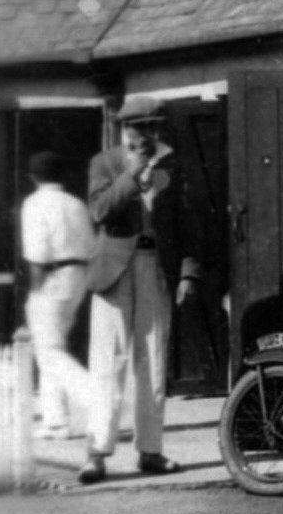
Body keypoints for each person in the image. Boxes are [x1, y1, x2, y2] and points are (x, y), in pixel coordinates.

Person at [80, 96, 201, 484]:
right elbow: (100, 212)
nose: (146, 136)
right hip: (114, 268)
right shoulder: (105, 163)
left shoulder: (174, 165)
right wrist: (131, 174)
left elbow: (187, 222)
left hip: (156, 266)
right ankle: (96, 453)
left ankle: (150, 451)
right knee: (108, 361)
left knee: (153, 360)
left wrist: (188, 273)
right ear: (123, 129)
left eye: (152, 127)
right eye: (137, 128)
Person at [19, 152, 95, 439]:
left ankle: (98, 402)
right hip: (79, 276)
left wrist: (35, 293)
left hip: (51, 277)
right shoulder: (76, 204)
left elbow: (37, 254)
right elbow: (90, 244)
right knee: (52, 346)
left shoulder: (35, 204)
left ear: (33, 177)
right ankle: (56, 421)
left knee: (49, 350)